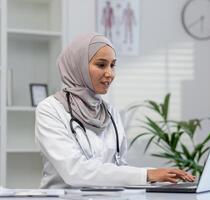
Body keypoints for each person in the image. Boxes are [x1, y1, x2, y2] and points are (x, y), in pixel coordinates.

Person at [35, 33, 195, 189]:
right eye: (101, 65)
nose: (110, 74)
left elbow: (119, 167)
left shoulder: (110, 112)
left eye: (112, 65)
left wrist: (161, 180)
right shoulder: (50, 109)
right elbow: (75, 172)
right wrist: (147, 174)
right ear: (78, 66)